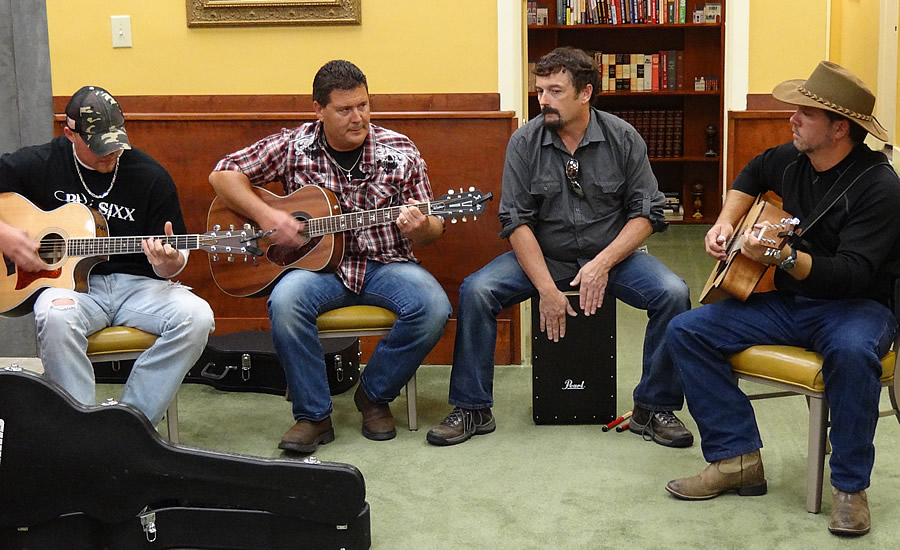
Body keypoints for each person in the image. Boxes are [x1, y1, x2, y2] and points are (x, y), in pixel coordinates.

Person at [664, 61, 900, 537]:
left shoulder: (880, 187)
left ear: (840, 128)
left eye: (805, 114)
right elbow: (752, 173)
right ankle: (736, 461)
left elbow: (851, 274)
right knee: (687, 330)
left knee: (853, 354)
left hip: (858, 308)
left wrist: (784, 258)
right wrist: (726, 223)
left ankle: (850, 490)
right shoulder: (794, 159)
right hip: (794, 306)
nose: (791, 118)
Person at [426, 47, 693, 448]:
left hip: (613, 257)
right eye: (539, 91)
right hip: (544, 255)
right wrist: (547, 290)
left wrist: (603, 264)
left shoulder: (623, 138)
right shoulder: (524, 142)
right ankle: (472, 407)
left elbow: (648, 214)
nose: (544, 100)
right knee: (477, 291)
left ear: (585, 93)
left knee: (673, 294)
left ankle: (653, 407)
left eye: (555, 91)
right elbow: (515, 222)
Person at [208, 60, 451, 454]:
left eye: (364, 106)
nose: (358, 118)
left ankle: (374, 394)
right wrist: (269, 216)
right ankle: (314, 416)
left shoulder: (400, 151)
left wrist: (421, 227)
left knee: (433, 308)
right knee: (286, 302)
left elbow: (433, 232)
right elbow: (222, 175)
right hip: (316, 269)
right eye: (345, 110)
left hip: (385, 264)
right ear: (319, 110)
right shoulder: (293, 145)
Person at [0, 85, 215, 427]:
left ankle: (130, 426)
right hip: (71, 289)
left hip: (138, 288)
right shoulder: (39, 163)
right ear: (69, 134)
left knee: (197, 317)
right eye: (99, 147)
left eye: (115, 144)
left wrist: (168, 262)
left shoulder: (150, 176)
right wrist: (6, 234)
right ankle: (79, 432)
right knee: (55, 316)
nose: (110, 155)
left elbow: (177, 255)